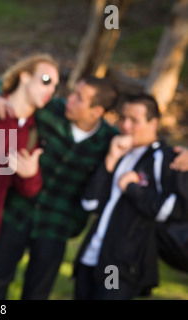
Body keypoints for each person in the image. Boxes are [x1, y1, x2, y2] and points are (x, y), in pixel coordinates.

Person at [0, 76, 119, 300]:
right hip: (15, 213)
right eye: (73, 93)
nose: (69, 99)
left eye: (79, 98)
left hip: (56, 227)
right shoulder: (50, 110)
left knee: (37, 293)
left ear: (97, 112)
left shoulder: (109, 141)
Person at [73, 93, 188, 300]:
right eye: (122, 118)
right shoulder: (118, 150)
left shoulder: (166, 159)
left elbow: (175, 210)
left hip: (118, 264)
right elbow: (89, 203)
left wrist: (134, 189)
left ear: (153, 123)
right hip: (89, 256)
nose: (125, 126)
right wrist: (111, 158)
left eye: (134, 120)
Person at [0, 53, 59, 253]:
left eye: (55, 86)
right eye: (46, 80)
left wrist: (30, 175)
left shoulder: (32, 132)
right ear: (25, 76)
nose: (51, 89)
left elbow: (29, 189)